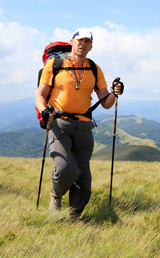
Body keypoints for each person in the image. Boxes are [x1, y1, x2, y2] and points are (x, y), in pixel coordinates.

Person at [35, 28, 123, 218]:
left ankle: (73, 217)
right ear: (72, 42)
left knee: (83, 176)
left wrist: (114, 94)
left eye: (87, 42)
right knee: (65, 168)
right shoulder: (55, 64)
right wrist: (44, 111)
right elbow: (40, 95)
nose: (83, 44)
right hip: (60, 123)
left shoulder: (94, 68)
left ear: (91, 47)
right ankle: (56, 195)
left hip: (84, 126)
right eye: (79, 40)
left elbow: (106, 103)